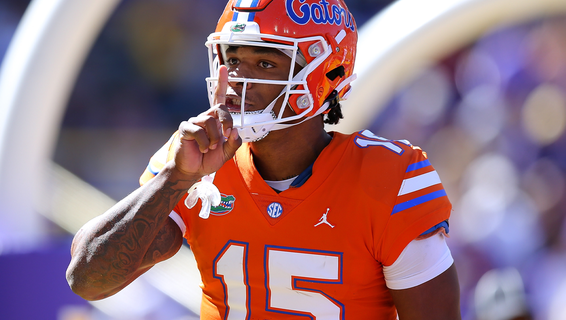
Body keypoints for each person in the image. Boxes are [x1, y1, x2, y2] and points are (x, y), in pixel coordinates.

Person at [66, 0, 462, 318]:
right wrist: (174, 180)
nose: (239, 79)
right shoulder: (190, 161)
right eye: (233, 60)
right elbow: (88, 279)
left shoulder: (389, 177)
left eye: (266, 63)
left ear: (323, 75)